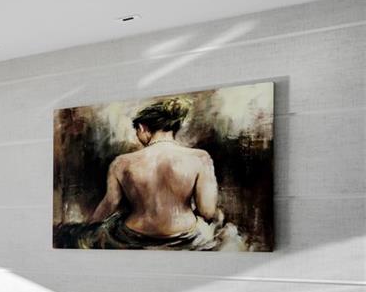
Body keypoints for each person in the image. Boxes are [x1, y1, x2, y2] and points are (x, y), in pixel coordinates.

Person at [59, 96, 243, 250]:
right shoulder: (200, 158)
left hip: (132, 235)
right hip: (186, 236)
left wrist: (88, 227)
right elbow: (207, 211)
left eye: (137, 131)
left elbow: (110, 204)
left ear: (142, 128)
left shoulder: (121, 162)